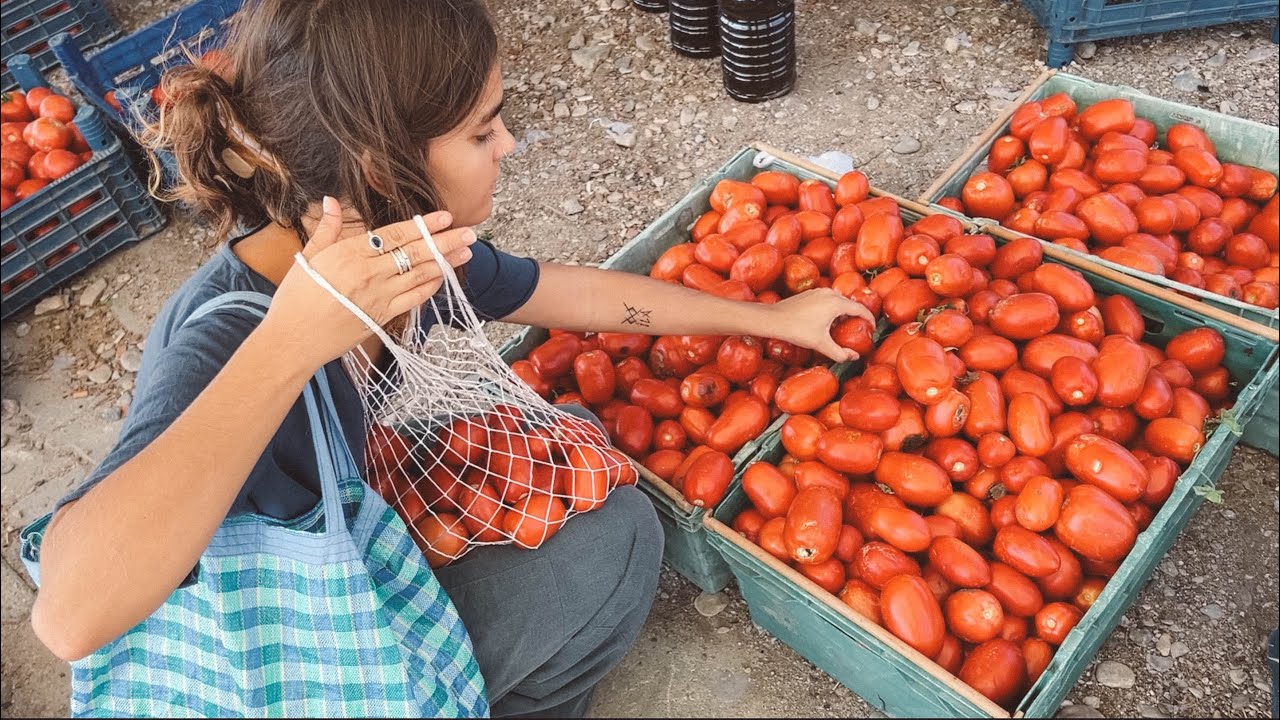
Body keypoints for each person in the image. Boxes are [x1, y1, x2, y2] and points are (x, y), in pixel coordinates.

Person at [24, 0, 871, 716]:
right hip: (262, 657)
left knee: (593, 499)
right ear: (376, 166)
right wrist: (286, 346)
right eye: (481, 131)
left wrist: (772, 319)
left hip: (347, 552)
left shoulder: (399, 247)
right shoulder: (221, 333)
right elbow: (70, 615)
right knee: (613, 552)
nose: (507, 147)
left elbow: (569, 295)